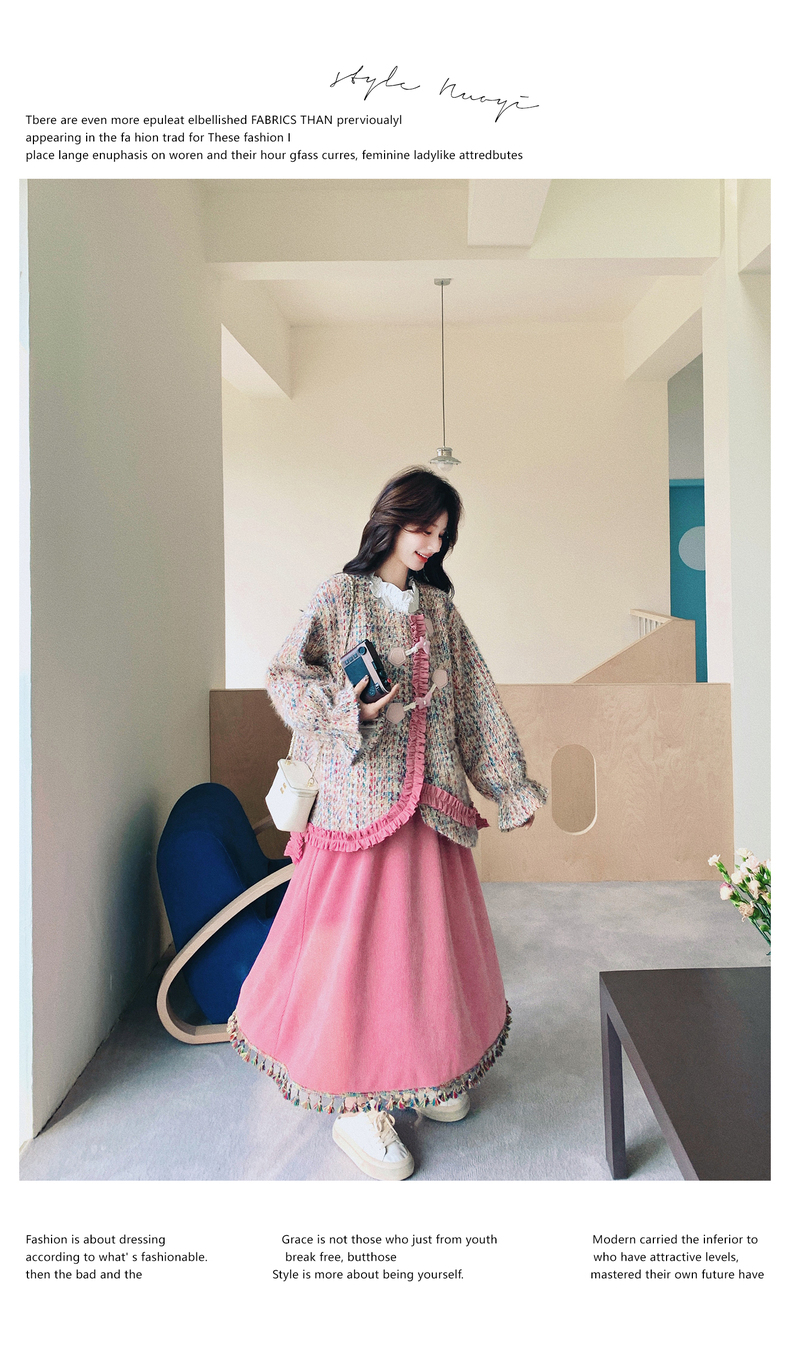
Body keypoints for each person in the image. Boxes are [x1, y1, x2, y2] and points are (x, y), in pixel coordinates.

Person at [228, 466, 547, 1179]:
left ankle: (427, 1071)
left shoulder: (439, 610)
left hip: (433, 802)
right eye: (421, 529)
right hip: (357, 805)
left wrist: (509, 787)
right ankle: (359, 1104)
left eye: (441, 535)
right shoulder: (338, 596)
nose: (430, 545)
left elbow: (476, 700)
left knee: (428, 948)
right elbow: (286, 673)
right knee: (361, 954)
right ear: (390, 522)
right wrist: (352, 710)